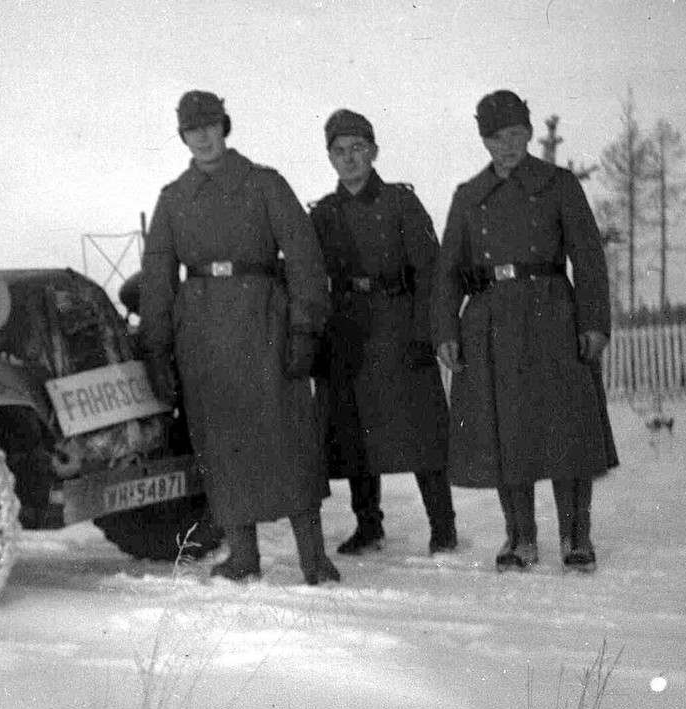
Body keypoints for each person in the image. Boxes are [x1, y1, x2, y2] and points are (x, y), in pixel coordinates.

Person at [140, 90, 338, 585]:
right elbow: (158, 276)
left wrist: (304, 326)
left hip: (264, 322)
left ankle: (314, 557)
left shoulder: (264, 184)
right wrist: (157, 346)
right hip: (201, 333)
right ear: (183, 136)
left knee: (286, 437)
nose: (203, 136)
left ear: (224, 127)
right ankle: (243, 557)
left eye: (209, 126)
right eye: (192, 129)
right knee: (220, 440)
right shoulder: (173, 199)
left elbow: (304, 256)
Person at [433, 90, 618, 573]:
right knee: (504, 432)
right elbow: (448, 270)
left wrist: (594, 321)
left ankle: (576, 536)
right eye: (495, 137)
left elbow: (589, 256)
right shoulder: (468, 196)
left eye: (515, 134)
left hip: (553, 314)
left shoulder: (558, 185)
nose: (506, 145)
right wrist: (445, 330)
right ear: (483, 139)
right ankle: (520, 538)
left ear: (529, 133)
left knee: (567, 430)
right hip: (490, 323)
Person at [309, 109, 458, 556]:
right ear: (329, 156)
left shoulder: (400, 203)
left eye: (358, 148)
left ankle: (443, 527)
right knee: (356, 432)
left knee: (421, 432)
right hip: (348, 330)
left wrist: (423, 333)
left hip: (399, 324)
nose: (349, 158)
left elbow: (429, 271)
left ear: (374, 151)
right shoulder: (323, 213)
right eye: (340, 150)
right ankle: (369, 526)